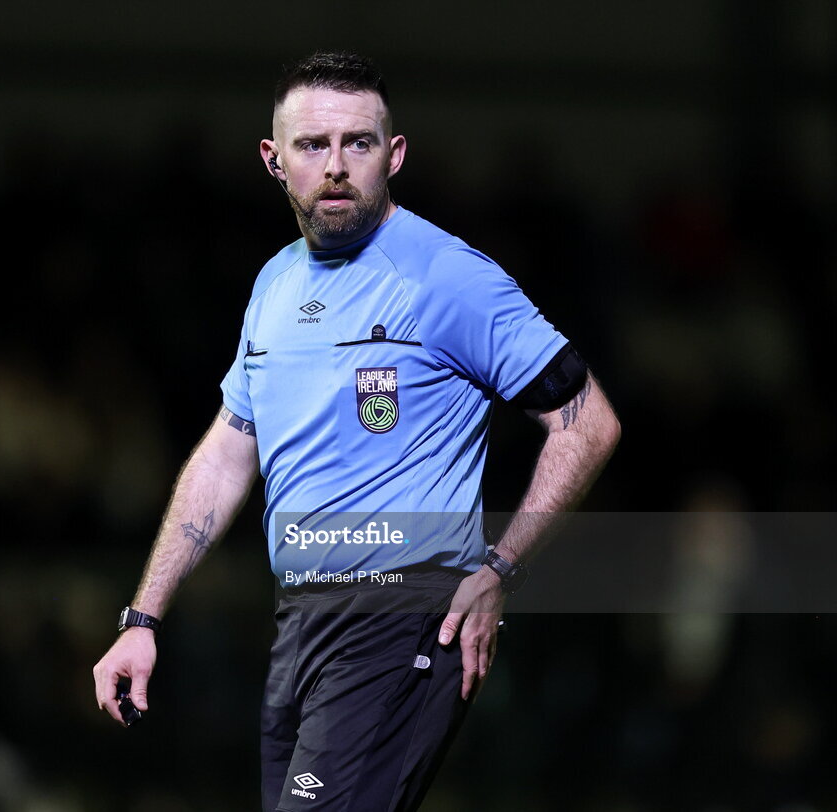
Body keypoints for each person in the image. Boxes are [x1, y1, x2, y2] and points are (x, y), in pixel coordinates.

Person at [93, 52, 621, 811]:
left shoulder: (446, 275)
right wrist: (143, 618)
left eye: (358, 143)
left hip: (402, 616)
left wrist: (501, 568)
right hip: (301, 620)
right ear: (274, 161)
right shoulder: (274, 284)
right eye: (313, 146)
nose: (335, 166)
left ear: (393, 154)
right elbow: (227, 452)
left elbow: (588, 422)